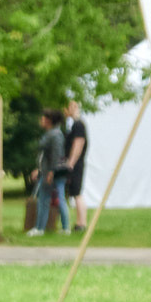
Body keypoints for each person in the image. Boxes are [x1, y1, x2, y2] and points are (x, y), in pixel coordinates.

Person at [26, 108, 68, 236]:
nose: (41, 120)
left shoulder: (55, 135)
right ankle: (41, 228)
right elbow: (45, 155)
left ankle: (47, 228)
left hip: (54, 172)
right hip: (48, 171)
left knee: (50, 199)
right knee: (45, 199)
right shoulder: (50, 134)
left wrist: (51, 172)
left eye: (43, 118)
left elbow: (56, 155)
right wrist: (39, 169)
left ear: (49, 120)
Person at [60, 98, 90, 232]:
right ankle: (79, 222)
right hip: (75, 163)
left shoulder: (78, 125)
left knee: (77, 192)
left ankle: (81, 223)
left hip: (76, 164)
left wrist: (71, 163)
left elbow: (78, 144)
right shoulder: (74, 124)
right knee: (74, 192)